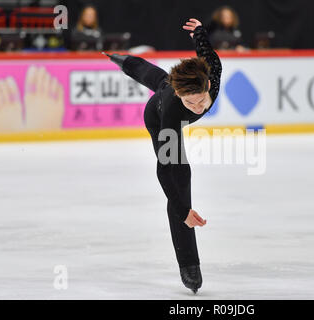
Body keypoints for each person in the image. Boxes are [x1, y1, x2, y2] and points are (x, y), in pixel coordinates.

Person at [104, 18, 222, 294]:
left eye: (201, 100)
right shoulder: (171, 111)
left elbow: (207, 54)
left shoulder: (212, 75)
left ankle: (122, 60)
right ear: (181, 96)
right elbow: (164, 169)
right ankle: (189, 264)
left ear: (207, 86)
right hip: (156, 116)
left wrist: (199, 33)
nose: (197, 107)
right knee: (181, 179)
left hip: (168, 87)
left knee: (157, 78)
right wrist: (184, 211)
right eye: (189, 102)